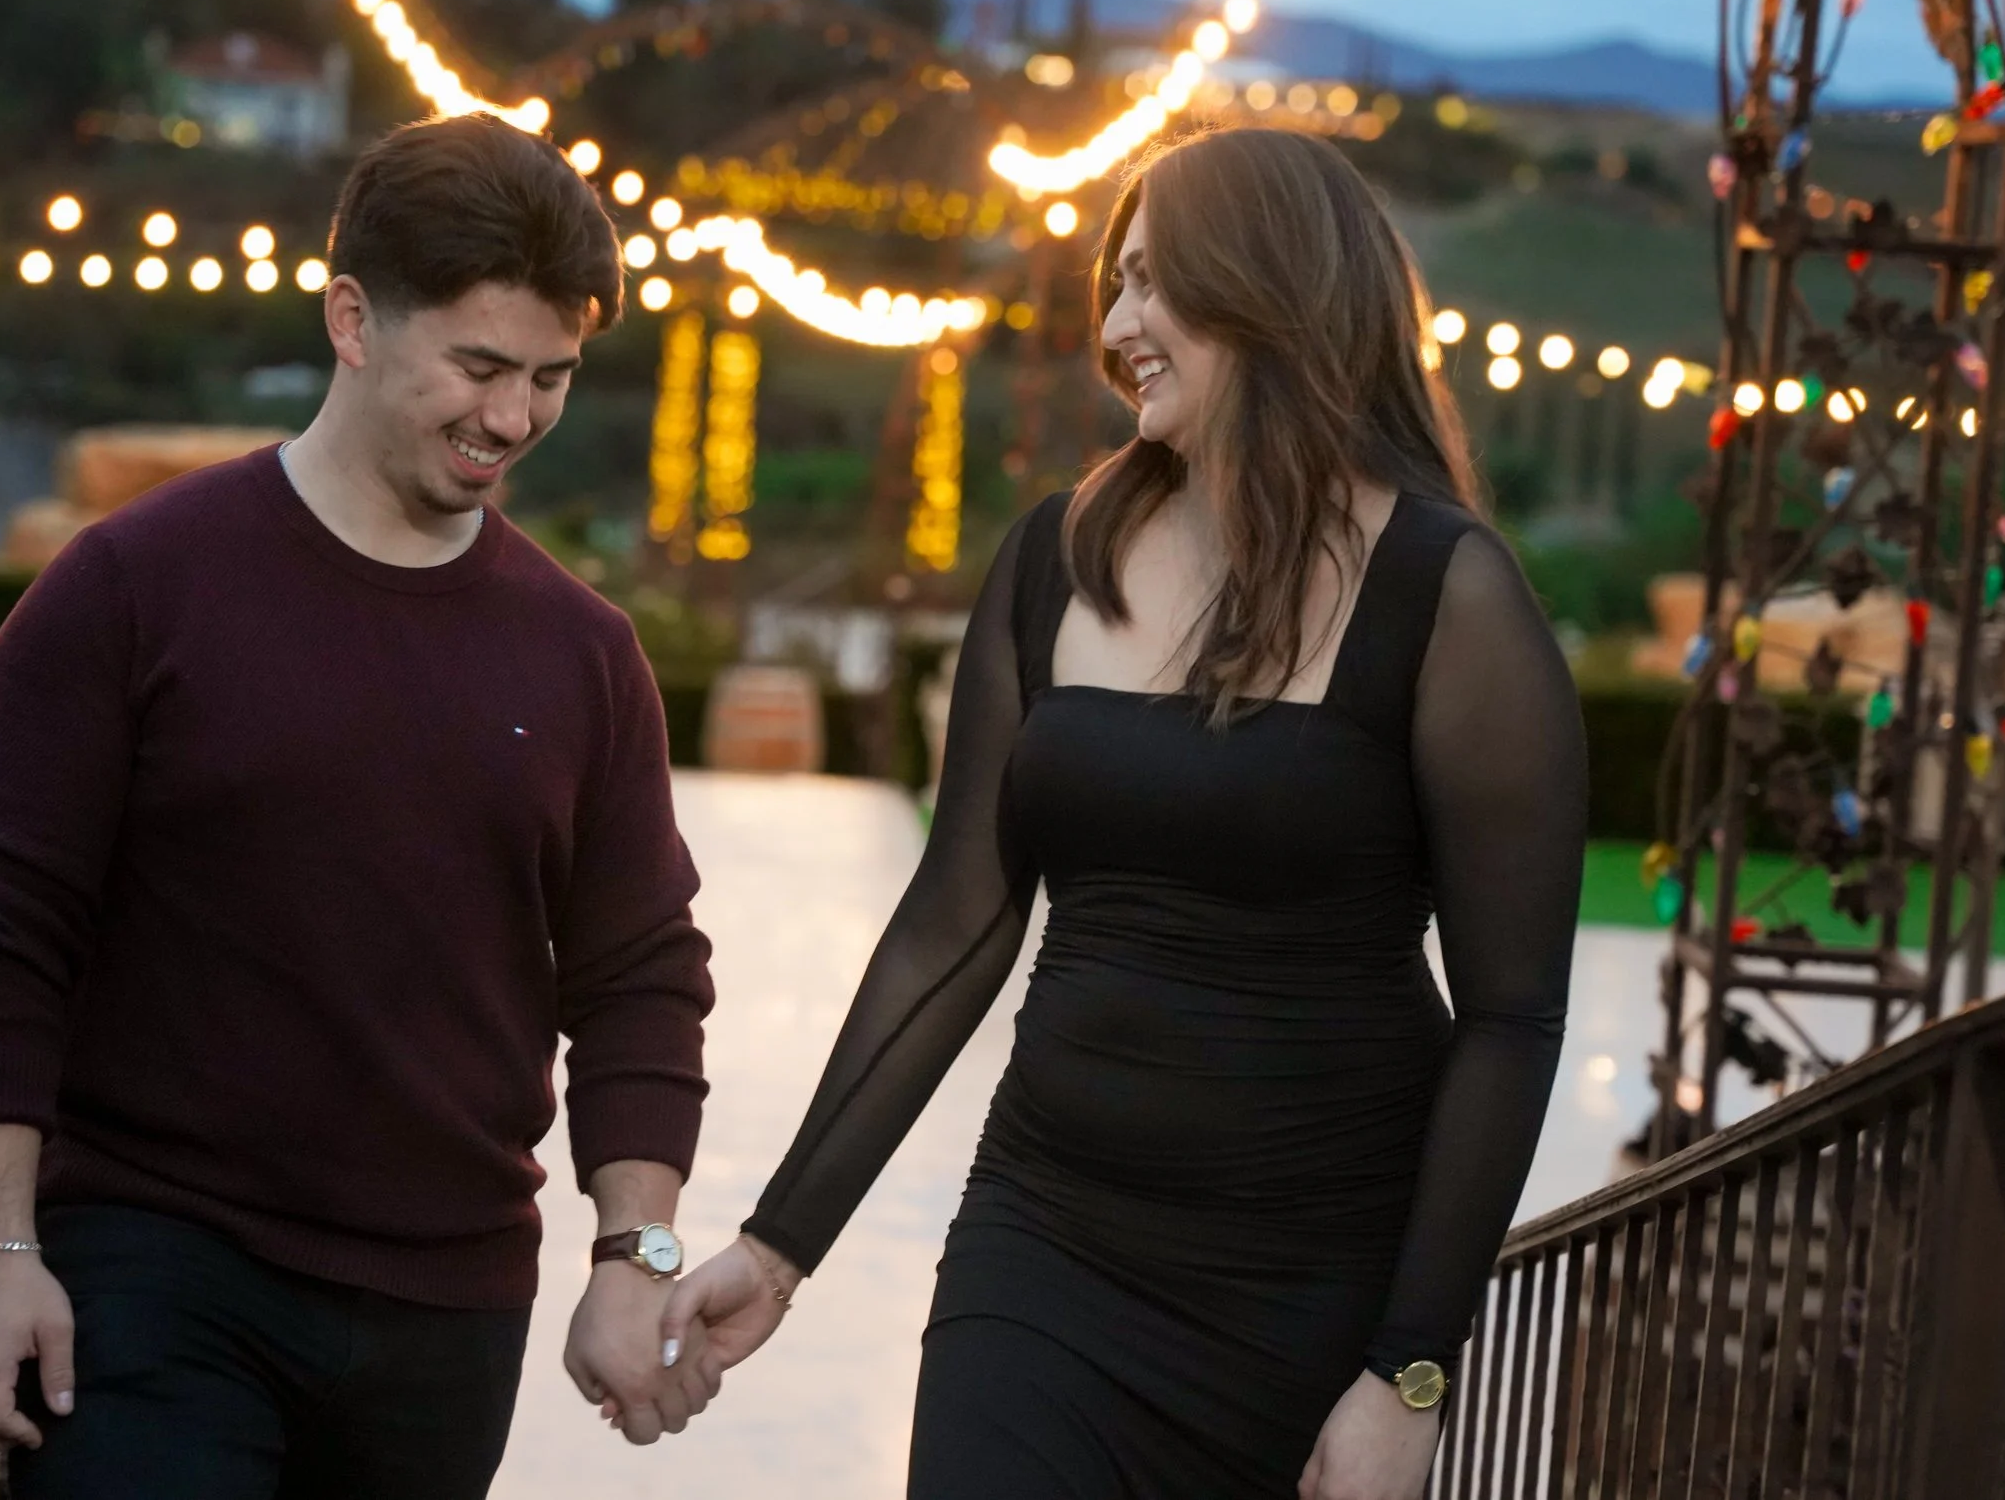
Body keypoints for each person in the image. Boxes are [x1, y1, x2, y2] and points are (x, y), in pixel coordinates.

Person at [668, 126, 1587, 1500]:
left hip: (1307, 1288)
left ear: (1270, 288)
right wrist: (780, 1241)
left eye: (1155, 283)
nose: (1115, 328)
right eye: (1119, 284)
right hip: (1044, 1244)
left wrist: (1410, 1370)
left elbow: (1511, 1018)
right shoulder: (1058, 558)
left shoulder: (1444, 593)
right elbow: (954, 925)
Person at [0, 112, 723, 1499]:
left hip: (448, 1318)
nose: (512, 419)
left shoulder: (586, 654)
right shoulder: (132, 589)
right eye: (479, 366)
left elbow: (642, 974)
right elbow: (2, 934)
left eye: (551, 377)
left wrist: (630, 1253)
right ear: (352, 318)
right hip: (155, 1270)